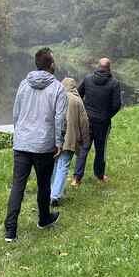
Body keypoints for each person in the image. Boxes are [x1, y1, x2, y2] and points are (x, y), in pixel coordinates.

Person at [4, 47, 67, 242]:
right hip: (43, 145)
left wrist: (19, 134)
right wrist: (58, 142)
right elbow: (59, 119)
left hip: (22, 143)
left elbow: (16, 113)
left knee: (17, 186)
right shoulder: (58, 88)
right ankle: (43, 219)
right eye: (54, 61)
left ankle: (10, 231)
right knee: (43, 184)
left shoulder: (24, 84)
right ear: (51, 65)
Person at [73, 57, 122, 184]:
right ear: (109, 68)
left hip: (87, 120)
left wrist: (84, 111)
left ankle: (76, 178)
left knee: (84, 147)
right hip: (103, 123)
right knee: (100, 149)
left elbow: (77, 94)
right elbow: (117, 105)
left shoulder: (88, 79)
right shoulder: (114, 83)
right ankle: (100, 176)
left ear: (98, 67)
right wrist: (107, 115)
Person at [50, 77, 89, 205]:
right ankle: (55, 196)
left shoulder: (56, 96)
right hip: (70, 139)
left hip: (55, 138)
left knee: (55, 164)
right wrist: (85, 140)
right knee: (64, 165)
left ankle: (50, 191)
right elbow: (84, 122)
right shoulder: (77, 101)